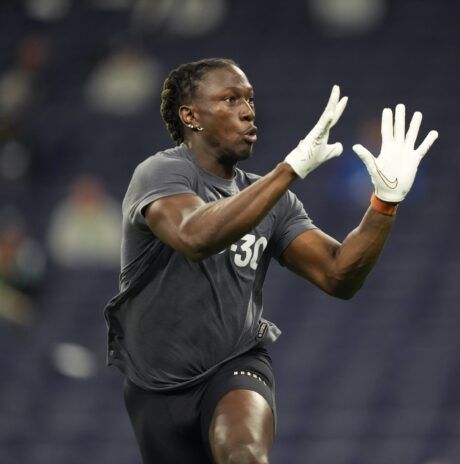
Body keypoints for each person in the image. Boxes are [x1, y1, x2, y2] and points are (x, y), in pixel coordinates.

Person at [103, 57, 438, 464]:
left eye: (249, 99)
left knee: (244, 454)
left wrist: (383, 205)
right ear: (190, 116)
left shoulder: (273, 199)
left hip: (235, 363)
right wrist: (289, 170)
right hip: (154, 386)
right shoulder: (160, 174)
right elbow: (194, 235)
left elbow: (338, 275)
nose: (247, 110)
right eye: (230, 99)